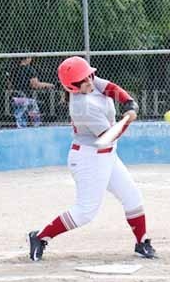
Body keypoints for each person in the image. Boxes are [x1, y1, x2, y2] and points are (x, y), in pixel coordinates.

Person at [28, 56, 155, 261]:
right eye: (83, 81)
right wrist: (128, 118)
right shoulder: (81, 105)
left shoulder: (90, 79)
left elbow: (110, 88)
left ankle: (142, 242)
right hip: (89, 158)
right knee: (85, 212)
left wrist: (128, 102)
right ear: (72, 87)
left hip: (107, 155)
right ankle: (40, 237)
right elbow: (109, 135)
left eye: (89, 76)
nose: (89, 82)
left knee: (132, 196)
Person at [8, 56, 54, 127]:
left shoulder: (13, 70)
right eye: (30, 57)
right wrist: (49, 85)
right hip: (27, 99)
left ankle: (22, 128)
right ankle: (37, 127)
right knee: (33, 110)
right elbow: (35, 85)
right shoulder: (29, 69)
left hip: (15, 98)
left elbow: (9, 86)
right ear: (27, 58)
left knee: (21, 118)